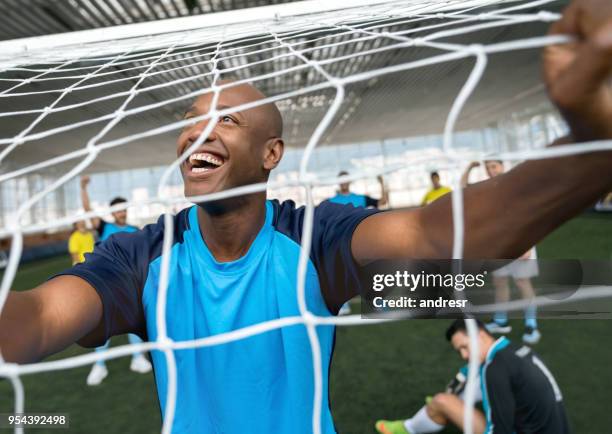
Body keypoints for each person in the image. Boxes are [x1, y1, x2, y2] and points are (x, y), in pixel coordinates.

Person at [1, 2, 611, 431]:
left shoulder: (314, 239)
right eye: (190, 118)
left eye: (226, 121)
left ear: (271, 156)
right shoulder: (138, 257)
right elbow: (30, 323)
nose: (196, 130)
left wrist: (592, 144)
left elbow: (432, 236)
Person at [375, 319, 569, 434]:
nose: (464, 355)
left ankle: (408, 428)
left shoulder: (494, 369)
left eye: (464, 347)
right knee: (469, 387)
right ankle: (447, 404)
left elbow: (498, 431)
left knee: (442, 401)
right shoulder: (517, 349)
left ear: (481, 335)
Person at [79, 176, 152, 385]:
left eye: (124, 209)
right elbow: (88, 211)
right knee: (102, 326)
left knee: (135, 323)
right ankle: (99, 366)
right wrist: (83, 188)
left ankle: (138, 359)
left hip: (130, 285)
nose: (122, 212)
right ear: (112, 212)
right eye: (118, 210)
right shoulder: (104, 228)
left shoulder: (135, 230)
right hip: (104, 284)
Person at [462, 161, 541, 344]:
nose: (491, 170)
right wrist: (469, 167)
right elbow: (463, 188)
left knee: (522, 282)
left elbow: (532, 215)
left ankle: (531, 324)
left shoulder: (516, 184)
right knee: (500, 282)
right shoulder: (487, 188)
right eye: (488, 167)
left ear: (502, 166)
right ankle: (501, 321)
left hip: (521, 242)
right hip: (500, 246)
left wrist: (527, 245)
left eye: (494, 166)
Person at [328, 171, 388, 314]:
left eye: (346, 180)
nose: (344, 182)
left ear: (350, 181)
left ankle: (377, 302)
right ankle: (343, 305)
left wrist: (382, 184)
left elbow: (383, 201)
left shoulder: (360, 198)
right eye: (341, 180)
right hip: (341, 243)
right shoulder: (331, 202)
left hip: (360, 241)